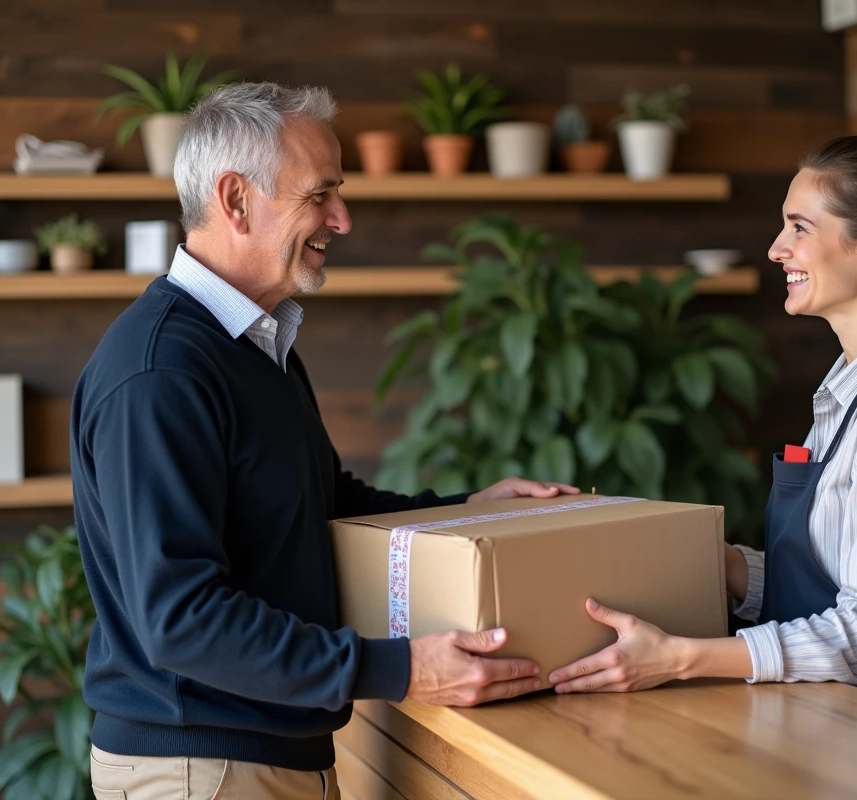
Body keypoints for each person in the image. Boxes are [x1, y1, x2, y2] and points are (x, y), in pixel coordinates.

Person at [72, 82, 577, 800]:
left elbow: (324, 506)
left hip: (261, 757)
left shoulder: (254, 345)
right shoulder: (162, 371)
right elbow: (180, 620)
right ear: (236, 200)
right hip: (203, 768)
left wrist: (473, 507)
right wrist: (400, 669)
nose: (341, 219)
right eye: (321, 195)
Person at [547, 123, 857, 716]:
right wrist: (714, 562)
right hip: (831, 716)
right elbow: (827, 586)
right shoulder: (852, 384)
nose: (778, 248)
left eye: (799, 228)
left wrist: (680, 656)